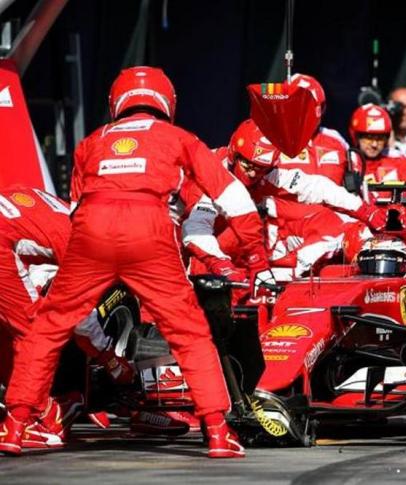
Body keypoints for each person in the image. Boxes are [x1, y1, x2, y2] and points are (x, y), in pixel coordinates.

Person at [0, 66, 269, 458]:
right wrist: (257, 256)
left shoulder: (90, 142)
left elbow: (76, 210)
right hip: (150, 226)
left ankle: (15, 426)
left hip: (92, 225)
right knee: (189, 331)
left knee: (46, 328)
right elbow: (233, 197)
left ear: (116, 104)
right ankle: (217, 432)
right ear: (167, 104)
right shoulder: (180, 138)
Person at [0, 186, 132, 447]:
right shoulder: (82, 239)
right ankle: (44, 416)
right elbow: (79, 313)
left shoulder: (57, 207)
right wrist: (107, 355)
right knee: (34, 336)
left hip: (10, 243)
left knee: (16, 330)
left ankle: (48, 410)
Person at [183, 119, 392, 279]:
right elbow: (195, 230)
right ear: (233, 155)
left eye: (262, 168)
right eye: (249, 166)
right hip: (185, 246)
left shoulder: (266, 173)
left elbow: (315, 186)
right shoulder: (209, 174)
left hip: (236, 253)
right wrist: (222, 266)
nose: (255, 174)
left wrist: (366, 211)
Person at [348, 104, 406, 202]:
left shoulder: (399, 159)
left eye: (380, 138)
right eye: (369, 138)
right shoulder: (349, 161)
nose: (374, 144)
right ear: (356, 136)